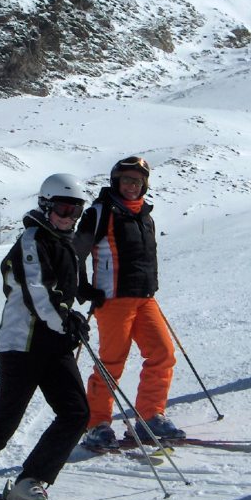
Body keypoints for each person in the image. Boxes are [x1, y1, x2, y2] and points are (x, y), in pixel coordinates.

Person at [0, 174, 91, 500]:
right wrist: (65, 318)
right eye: (62, 209)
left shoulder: (65, 243)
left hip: (54, 344)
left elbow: (64, 290)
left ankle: (29, 482)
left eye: (75, 211)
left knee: (76, 413)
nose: (68, 217)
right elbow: (38, 291)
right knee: (6, 417)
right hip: (22, 343)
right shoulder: (32, 240)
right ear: (45, 206)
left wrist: (78, 310)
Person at [74, 155, 183, 449]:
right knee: (112, 363)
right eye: (126, 180)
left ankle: (151, 417)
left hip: (145, 299)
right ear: (115, 181)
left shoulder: (145, 215)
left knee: (163, 353)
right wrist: (83, 288)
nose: (131, 185)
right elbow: (75, 253)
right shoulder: (100, 213)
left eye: (137, 181)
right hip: (113, 301)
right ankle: (97, 424)